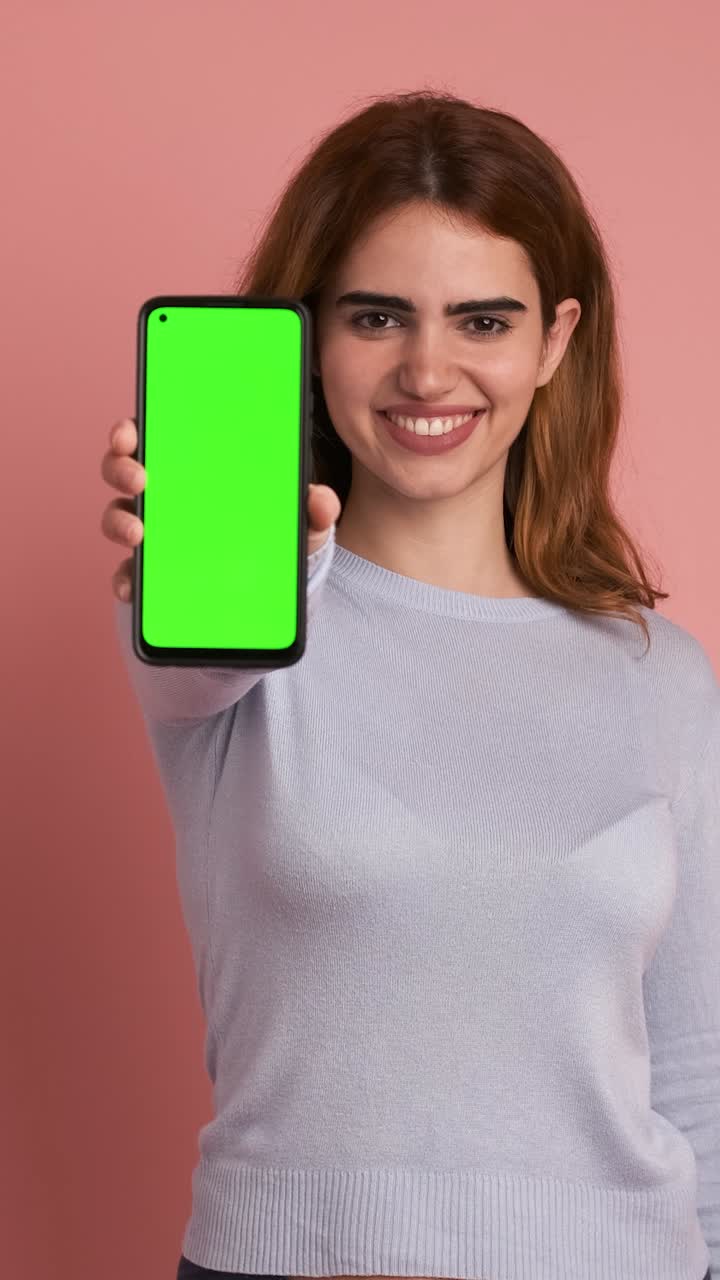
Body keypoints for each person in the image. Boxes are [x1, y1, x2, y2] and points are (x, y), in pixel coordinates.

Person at [101, 90, 718, 1280]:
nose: (427, 369)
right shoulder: (228, 627)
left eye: (483, 319)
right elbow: (197, 664)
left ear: (553, 340)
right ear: (307, 337)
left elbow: (699, 1059)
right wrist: (208, 547)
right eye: (377, 315)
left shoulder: (663, 680)